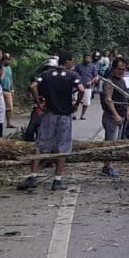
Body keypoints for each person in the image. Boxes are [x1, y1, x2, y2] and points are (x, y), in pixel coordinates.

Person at [18, 54, 84, 191]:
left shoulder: (46, 74)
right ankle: (57, 180)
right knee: (63, 147)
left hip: (49, 114)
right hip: (65, 115)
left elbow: (33, 86)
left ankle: (33, 176)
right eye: (71, 61)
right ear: (66, 62)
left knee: (40, 145)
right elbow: (81, 90)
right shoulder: (73, 75)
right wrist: (77, 103)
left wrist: (39, 103)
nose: (73, 64)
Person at [98, 58, 129, 177]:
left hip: (121, 115)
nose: (122, 71)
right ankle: (107, 167)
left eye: (124, 69)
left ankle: (111, 165)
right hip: (112, 117)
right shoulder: (109, 82)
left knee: (116, 142)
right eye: (119, 69)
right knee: (110, 143)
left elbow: (125, 96)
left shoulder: (122, 81)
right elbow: (108, 100)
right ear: (113, 68)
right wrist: (115, 114)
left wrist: (127, 110)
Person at [74, 53, 99, 120]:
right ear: (83, 58)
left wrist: (91, 82)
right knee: (76, 100)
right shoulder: (78, 66)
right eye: (86, 58)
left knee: (86, 102)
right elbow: (75, 74)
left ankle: (82, 115)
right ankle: (74, 114)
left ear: (91, 59)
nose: (87, 59)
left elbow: (95, 76)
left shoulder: (93, 67)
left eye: (89, 58)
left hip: (88, 86)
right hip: (78, 86)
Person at [0, 52, 16, 128]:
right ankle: (0, 122)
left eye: (9, 60)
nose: (9, 61)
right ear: (4, 60)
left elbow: (11, 79)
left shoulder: (9, 68)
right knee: (0, 107)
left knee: (9, 107)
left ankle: (9, 123)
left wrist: (12, 89)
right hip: (0, 90)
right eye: (7, 60)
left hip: (7, 90)